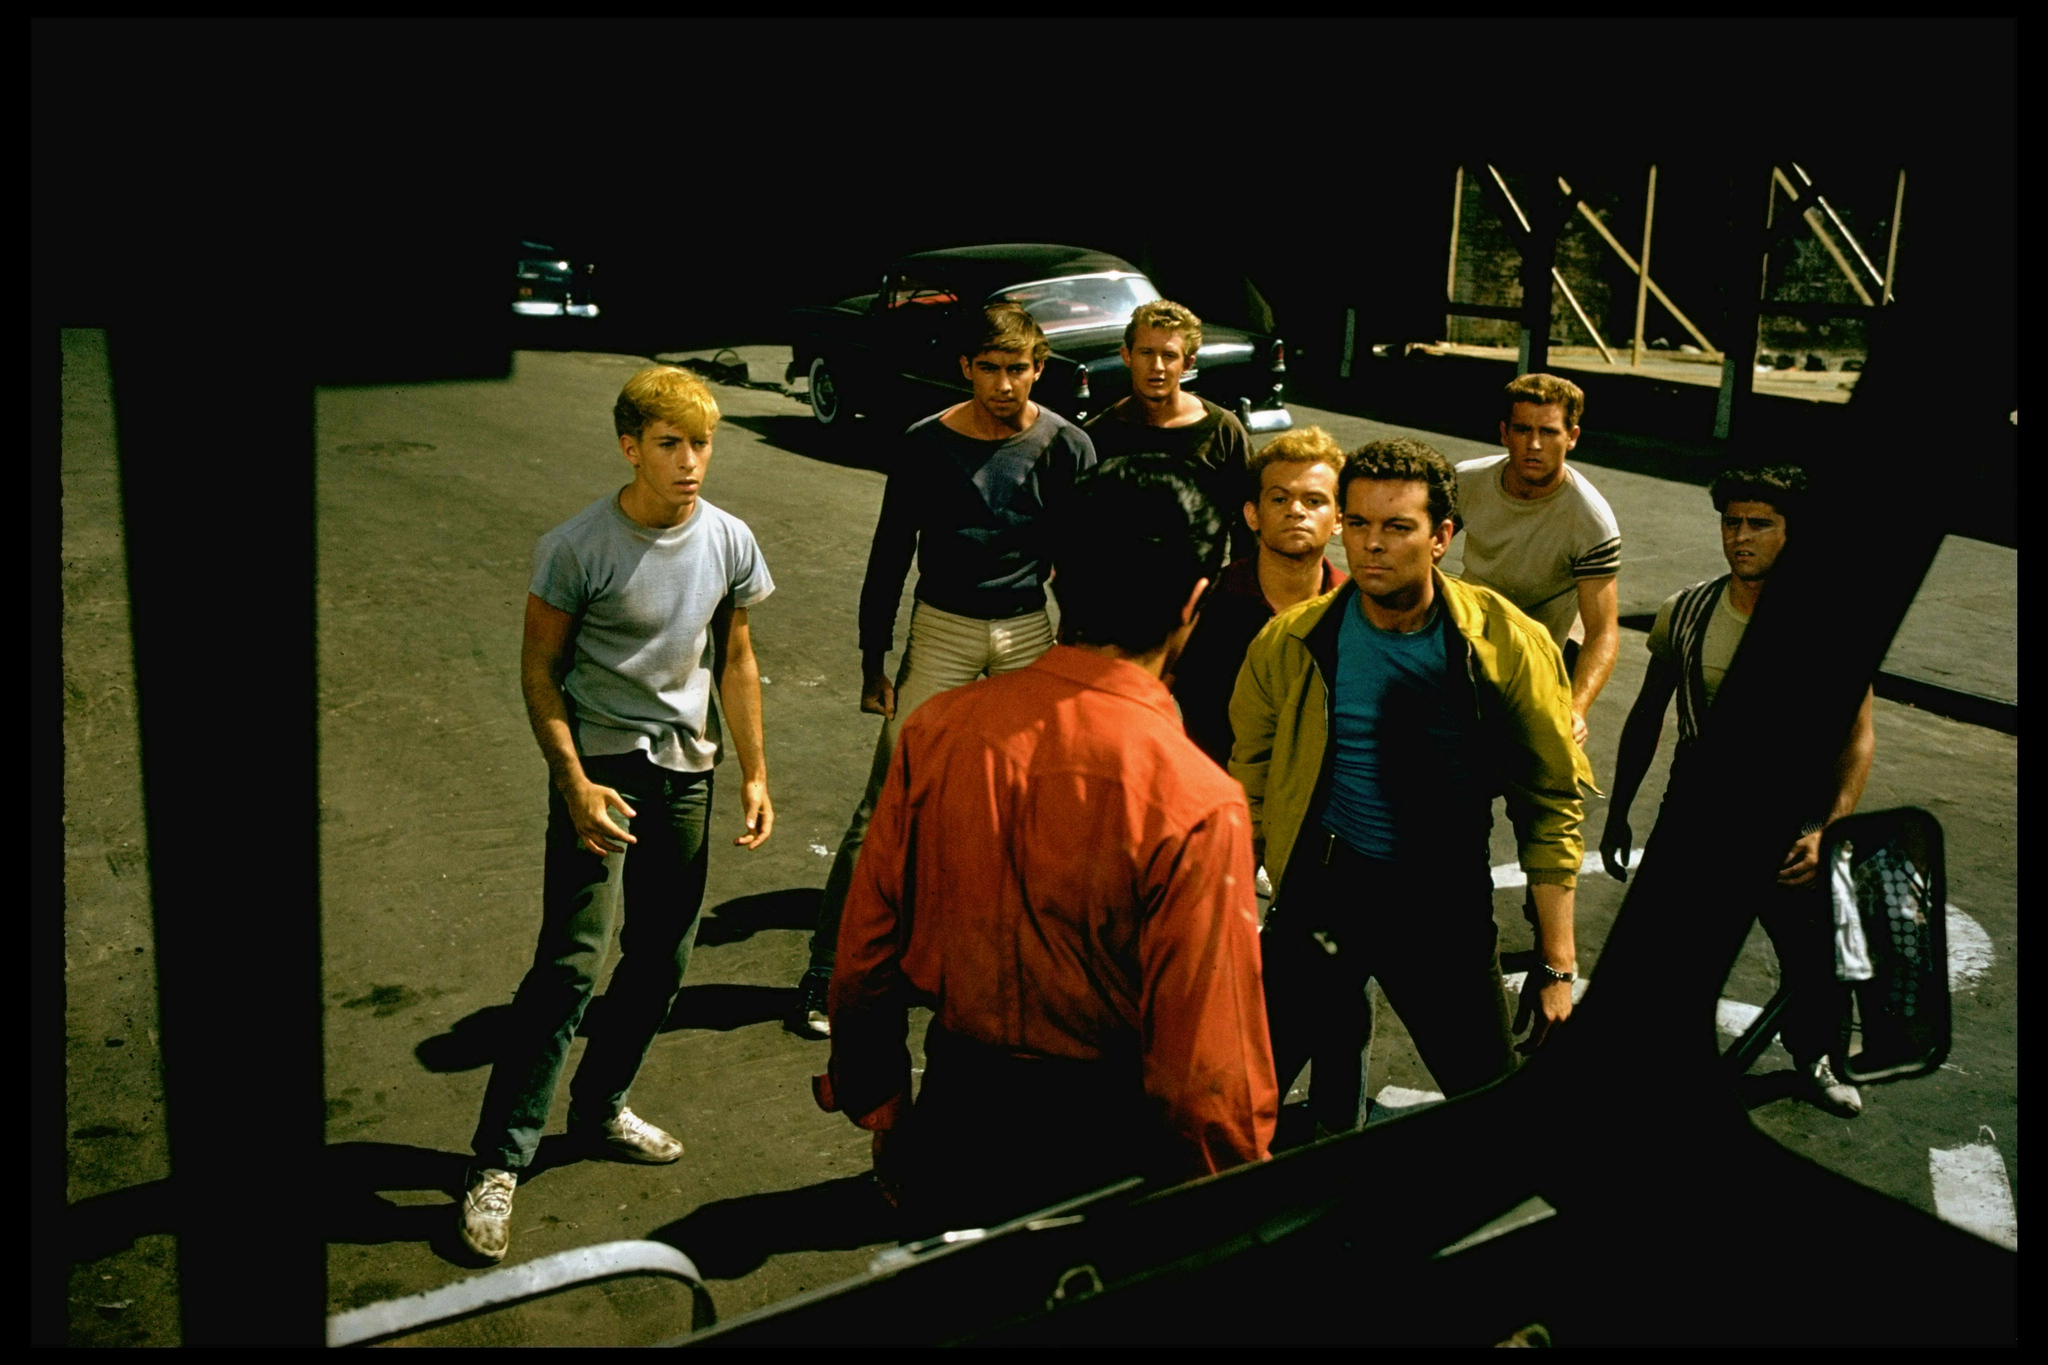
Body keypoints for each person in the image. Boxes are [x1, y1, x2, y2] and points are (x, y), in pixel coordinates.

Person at [815, 457, 1277, 1230]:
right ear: (1195, 601)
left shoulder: (939, 729)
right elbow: (1207, 1075)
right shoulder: (1196, 797)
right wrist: (1233, 1210)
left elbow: (863, 950)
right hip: (1109, 1141)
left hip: (960, 1105)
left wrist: (884, 1101)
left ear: (1057, 574)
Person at [460, 367, 776, 1262]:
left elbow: (739, 661)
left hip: (688, 771)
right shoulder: (576, 546)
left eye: (701, 444)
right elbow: (538, 673)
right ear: (630, 446)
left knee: (662, 961)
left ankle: (600, 1107)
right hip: (600, 770)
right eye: (670, 444)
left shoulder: (728, 539)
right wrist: (571, 780)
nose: (689, 463)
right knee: (569, 964)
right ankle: (499, 1160)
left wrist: (755, 772)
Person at [1231, 439, 1592, 1136]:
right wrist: (1228, 915)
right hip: (1325, 895)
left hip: (1442, 902)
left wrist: (1556, 964)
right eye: (1358, 523)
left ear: (1442, 538)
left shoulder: (1503, 642)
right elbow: (1247, 784)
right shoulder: (1292, 641)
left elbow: (1549, 801)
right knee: (1241, 1093)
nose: (1372, 545)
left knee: (1490, 1108)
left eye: (1397, 527)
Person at [792, 303, 1097, 1037]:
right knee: (889, 801)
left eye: (1017, 369)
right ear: (965, 369)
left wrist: (1083, 656)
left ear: (1039, 367)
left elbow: (1084, 563)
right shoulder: (925, 444)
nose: (1003, 384)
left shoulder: (1067, 446)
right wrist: (875, 658)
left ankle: (1019, 973)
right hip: (942, 632)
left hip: (1029, 632)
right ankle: (828, 970)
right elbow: (890, 551)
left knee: (1038, 810)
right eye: (988, 369)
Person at [1600, 464, 1875, 1118]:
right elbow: (1647, 715)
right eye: (1732, 522)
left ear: (1791, 532)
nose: (1741, 537)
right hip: (1698, 799)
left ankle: (1818, 1057)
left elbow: (1857, 736)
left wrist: (1830, 825)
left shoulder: (1830, 621)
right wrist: (1618, 812)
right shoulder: (1688, 609)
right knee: (1664, 947)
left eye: (1761, 524)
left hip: (1790, 806)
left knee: (1814, 952)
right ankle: (1650, 1064)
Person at [1453, 373, 1621, 748]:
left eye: (1548, 432)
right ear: (1503, 432)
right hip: (1463, 642)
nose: (1533, 445)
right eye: (1521, 429)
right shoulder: (1466, 481)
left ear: (1572, 437)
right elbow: (1419, 547)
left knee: (1539, 789)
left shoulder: (1591, 520)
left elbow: (1602, 631)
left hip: (1538, 660)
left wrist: (1576, 709)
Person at [1171, 426, 1343, 771]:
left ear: (1338, 518)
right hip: (1216, 791)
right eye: (1279, 498)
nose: (1296, 510)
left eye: (1314, 500)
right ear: (1253, 515)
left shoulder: (1357, 609)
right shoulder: (1203, 602)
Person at [1085, 299, 1256, 561]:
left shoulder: (1222, 431)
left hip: (1203, 593)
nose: (1157, 367)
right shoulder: (1099, 435)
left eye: (1169, 355)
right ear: (1127, 356)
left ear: (1187, 363)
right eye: (1146, 353)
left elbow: (1249, 523)